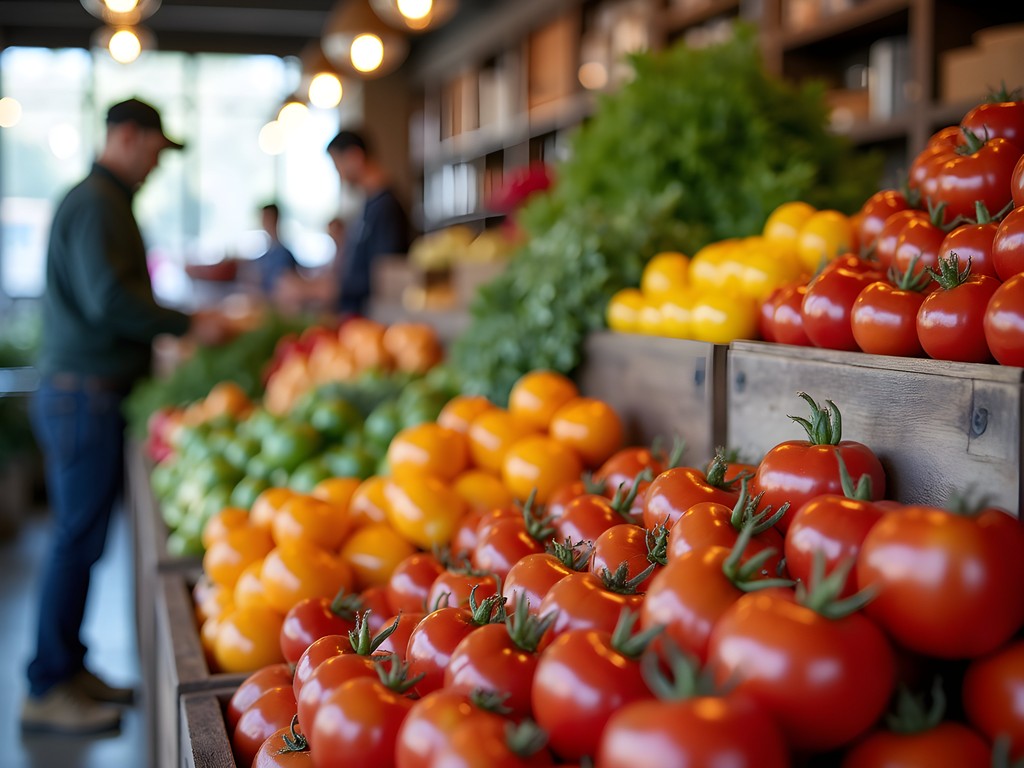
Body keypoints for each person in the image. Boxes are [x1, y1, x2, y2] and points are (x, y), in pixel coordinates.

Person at [21, 97, 229, 736]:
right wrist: (188, 323)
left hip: (88, 392)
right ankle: (46, 686)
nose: (157, 166)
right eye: (156, 151)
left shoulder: (103, 202)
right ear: (128, 137)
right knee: (75, 540)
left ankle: (69, 667)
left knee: (82, 541)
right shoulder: (95, 203)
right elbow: (108, 299)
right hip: (83, 393)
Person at [326, 129, 411, 316]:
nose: (339, 174)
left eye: (337, 164)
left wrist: (334, 288)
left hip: (373, 319)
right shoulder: (368, 204)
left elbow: (384, 273)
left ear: (355, 157)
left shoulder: (386, 207)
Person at [250, 202, 298, 299]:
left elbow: (285, 288)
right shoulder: (267, 254)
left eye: (266, 218)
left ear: (275, 219)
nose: (263, 222)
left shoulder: (284, 255)